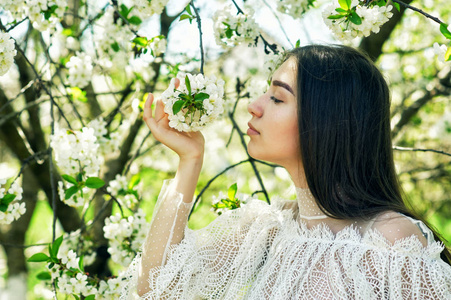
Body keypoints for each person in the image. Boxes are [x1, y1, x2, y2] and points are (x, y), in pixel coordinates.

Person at [121, 45, 451, 299]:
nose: (254, 105)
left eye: (278, 98)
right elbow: (156, 287)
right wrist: (189, 160)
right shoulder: (269, 227)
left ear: (325, 119)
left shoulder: (391, 241)